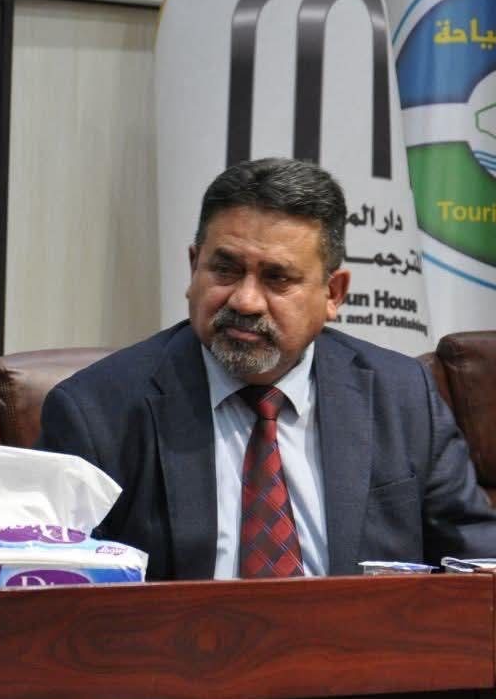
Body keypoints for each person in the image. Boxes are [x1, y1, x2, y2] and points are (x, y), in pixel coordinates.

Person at [36, 157, 496, 579]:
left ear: (333, 293)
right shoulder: (98, 412)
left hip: (364, 643)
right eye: (225, 270)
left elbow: (477, 566)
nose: (245, 301)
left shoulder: (402, 396)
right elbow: (59, 599)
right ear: (194, 268)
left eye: (278, 278)